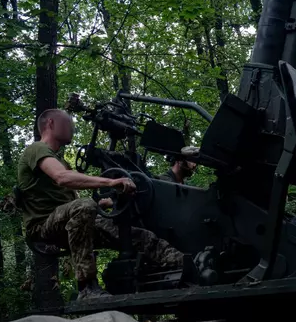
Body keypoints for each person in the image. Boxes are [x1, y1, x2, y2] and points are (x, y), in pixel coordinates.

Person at [17, 109, 185, 300]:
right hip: (42, 226)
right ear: (50, 124)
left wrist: (104, 203)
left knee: (136, 236)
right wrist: (110, 182)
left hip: (66, 220)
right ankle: (87, 288)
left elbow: (72, 202)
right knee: (84, 206)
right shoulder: (37, 149)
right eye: (68, 123)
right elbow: (62, 178)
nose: (72, 127)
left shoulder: (61, 161)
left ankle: (183, 265)